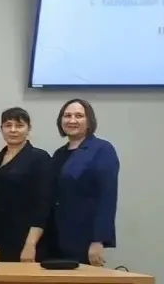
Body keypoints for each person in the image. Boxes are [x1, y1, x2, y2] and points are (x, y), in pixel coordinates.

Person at [45, 99, 119, 266]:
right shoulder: (59, 154)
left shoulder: (101, 149)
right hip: (54, 238)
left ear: (89, 121)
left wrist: (98, 240)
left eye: (79, 116)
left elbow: (107, 197)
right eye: (67, 116)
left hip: (84, 238)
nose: (72, 120)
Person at [0, 107, 52, 262]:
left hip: (26, 239)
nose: (13, 130)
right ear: (1, 129)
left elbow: (43, 205)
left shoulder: (39, 158)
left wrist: (30, 244)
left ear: (28, 129)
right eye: (8, 125)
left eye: (19, 125)